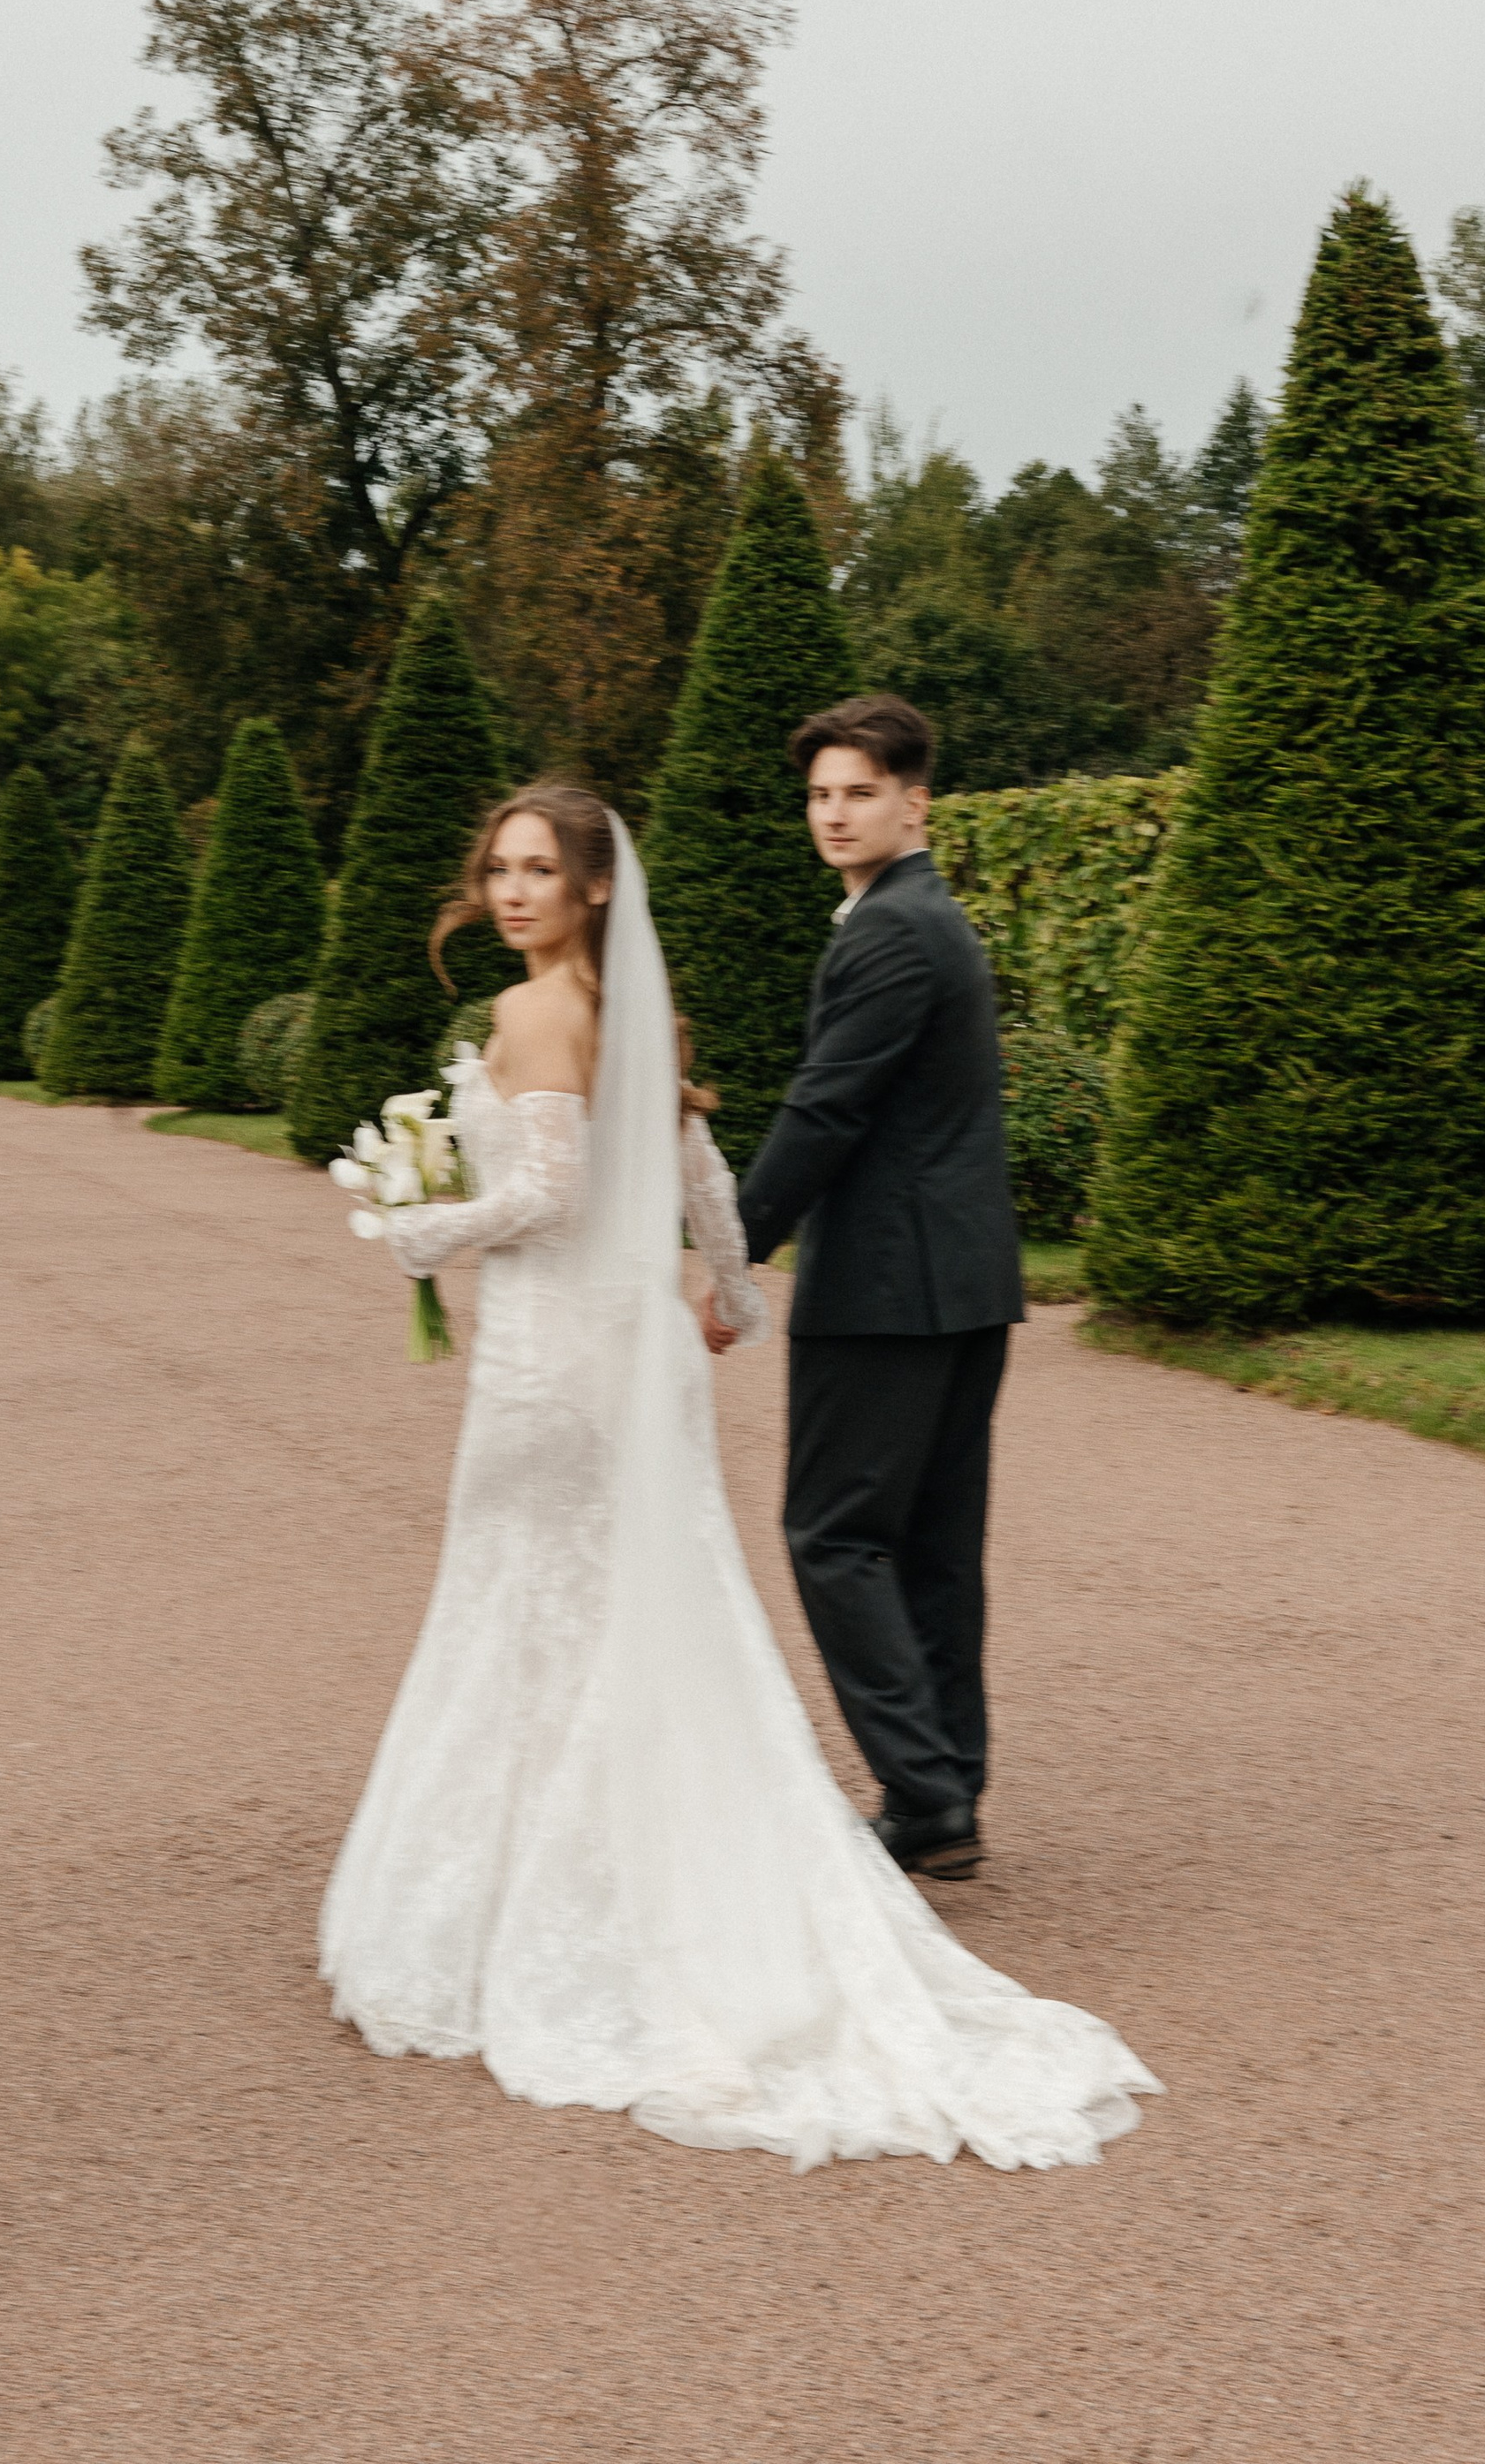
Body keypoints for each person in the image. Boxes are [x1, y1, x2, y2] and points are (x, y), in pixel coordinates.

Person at [319, 780, 1155, 2168]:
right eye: (500, 868)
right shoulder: (638, 1011)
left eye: (539, 870)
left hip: (552, 1359)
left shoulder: (534, 1012)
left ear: (593, 888)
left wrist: (426, 1230)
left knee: (521, 1601)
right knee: (654, 1606)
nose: (512, 890)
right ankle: (660, 1863)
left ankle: (543, 1896)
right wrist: (735, 1290)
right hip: (634, 1356)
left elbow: (551, 1200)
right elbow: (701, 1168)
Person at [707, 695, 1019, 1885]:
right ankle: (948, 1794)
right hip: (961, 1284)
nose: (833, 815)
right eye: (820, 795)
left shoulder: (891, 931)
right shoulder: (925, 918)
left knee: (833, 1536)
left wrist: (732, 1256)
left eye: (859, 793)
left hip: (892, 1290)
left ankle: (926, 1792)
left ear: (914, 803)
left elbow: (824, 1111)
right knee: (932, 1548)